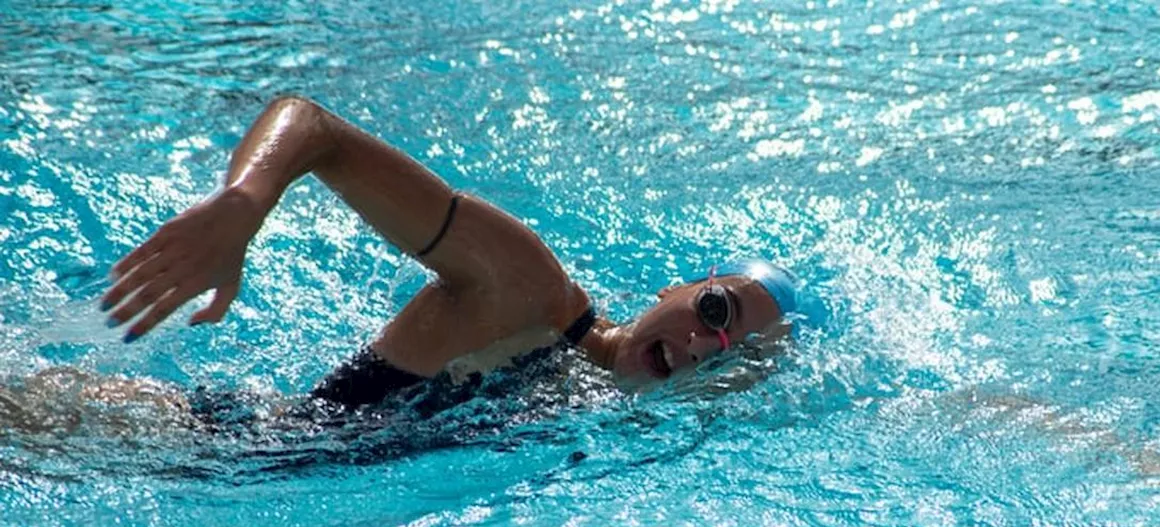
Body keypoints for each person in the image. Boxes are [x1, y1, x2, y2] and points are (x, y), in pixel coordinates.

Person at [98, 96, 814, 420]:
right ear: (681, 285)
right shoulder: (528, 289)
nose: (697, 347)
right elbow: (315, 128)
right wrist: (245, 203)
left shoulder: (594, 412)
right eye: (716, 311)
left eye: (728, 358)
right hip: (176, 439)